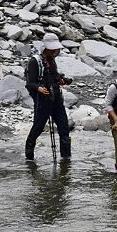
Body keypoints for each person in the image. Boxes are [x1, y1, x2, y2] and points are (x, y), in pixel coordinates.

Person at [25, 32, 72, 162]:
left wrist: (61, 80)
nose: (54, 51)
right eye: (52, 49)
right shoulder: (34, 61)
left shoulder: (52, 60)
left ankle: (66, 158)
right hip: (42, 101)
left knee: (64, 128)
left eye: (55, 49)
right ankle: (29, 156)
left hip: (56, 99)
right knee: (38, 127)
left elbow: (54, 76)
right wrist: (39, 88)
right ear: (45, 47)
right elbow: (30, 83)